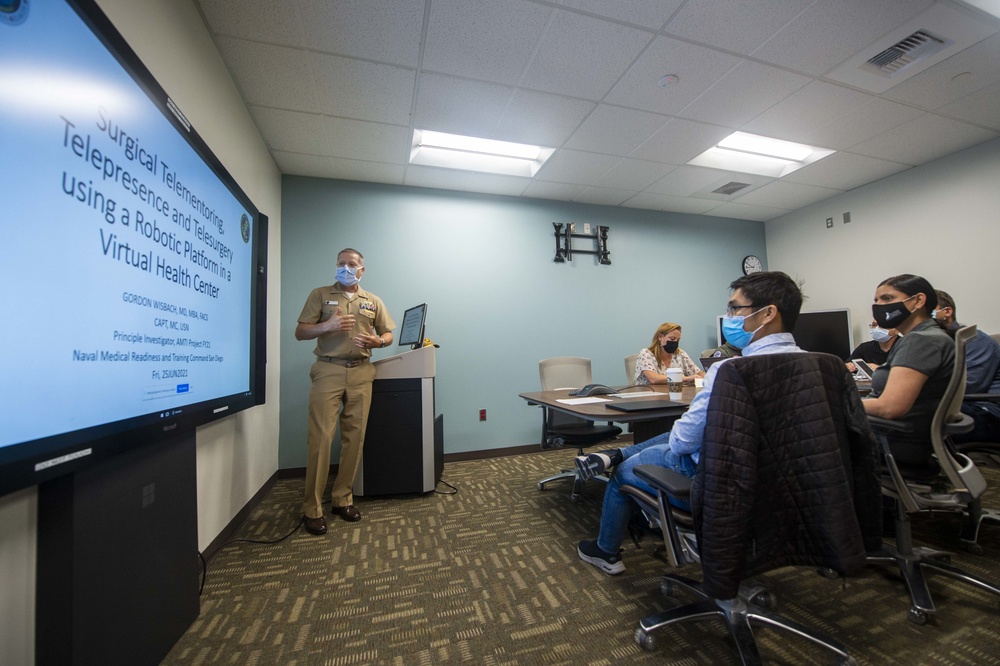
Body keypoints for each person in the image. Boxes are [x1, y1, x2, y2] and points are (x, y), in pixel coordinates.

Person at [576, 271, 804, 574]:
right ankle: (617, 459)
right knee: (681, 431)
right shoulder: (822, 366)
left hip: (717, 484)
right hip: (784, 487)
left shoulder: (730, 371)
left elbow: (683, 442)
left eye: (735, 309)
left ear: (768, 313)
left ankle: (606, 549)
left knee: (634, 466)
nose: (729, 317)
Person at [296, 248, 396, 535]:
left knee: (355, 438)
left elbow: (388, 332)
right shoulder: (320, 294)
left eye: (351, 264)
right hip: (328, 369)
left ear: (361, 270)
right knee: (321, 438)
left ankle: (342, 499)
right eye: (341, 263)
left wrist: (379, 342)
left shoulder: (372, 300)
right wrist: (329, 325)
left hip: (362, 371)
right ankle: (312, 509)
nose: (345, 268)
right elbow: (300, 331)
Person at [862, 275, 954, 465]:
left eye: (887, 299)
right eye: (876, 301)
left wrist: (838, 403)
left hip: (895, 440)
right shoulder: (926, 336)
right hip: (907, 436)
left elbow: (889, 407)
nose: (879, 306)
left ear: (918, 301)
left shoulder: (920, 340)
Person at [932, 290, 1000, 443]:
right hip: (958, 406)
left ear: (947, 311)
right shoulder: (934, 343)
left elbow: (969, 385)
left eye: (927, 311)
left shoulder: (974, 340)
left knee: (917, 415)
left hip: (987, 409)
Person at [633, 322, 704, 385]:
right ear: (660, 337)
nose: (675, 342)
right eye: (672, 339)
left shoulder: (680, 354)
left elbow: (697, 372)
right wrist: (684, 378)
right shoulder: (646, 354)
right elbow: (653, 379)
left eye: (678, 340)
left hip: (674, 394)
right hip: (649, 396)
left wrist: (707, 376)